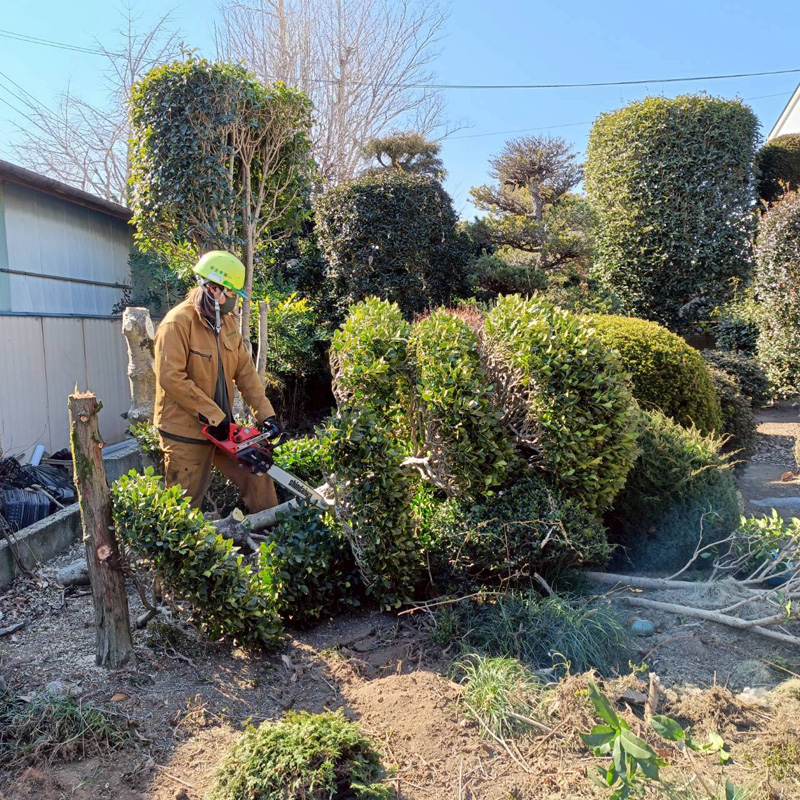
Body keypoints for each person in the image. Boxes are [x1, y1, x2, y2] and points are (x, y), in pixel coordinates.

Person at [153, 250, 279, 512]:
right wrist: (212, 415)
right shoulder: (177, 323)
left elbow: (246, 373)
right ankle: (182, 553)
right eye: (231, 293)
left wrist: (266, 416)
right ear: (212, 288)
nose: (233, 301)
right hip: (186, 431)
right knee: (184, 505)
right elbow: (170, 376)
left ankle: (272, 534)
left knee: (257, 474)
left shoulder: (228, 323)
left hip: (223, 427)